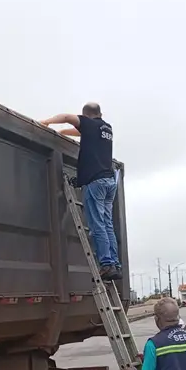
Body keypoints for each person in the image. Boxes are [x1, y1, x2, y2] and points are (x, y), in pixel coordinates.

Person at [39, 103, 121, 280]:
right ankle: (114, 263)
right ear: (100, 114)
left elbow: (66, 117)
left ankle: (106, 264)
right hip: (109, 182)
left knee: (97, 224)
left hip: (96, 182)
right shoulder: (106, 128)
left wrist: (47, 122)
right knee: (107, 224)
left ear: (86, 115)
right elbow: (81, 132)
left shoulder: (88, 123)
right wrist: (64, 132)